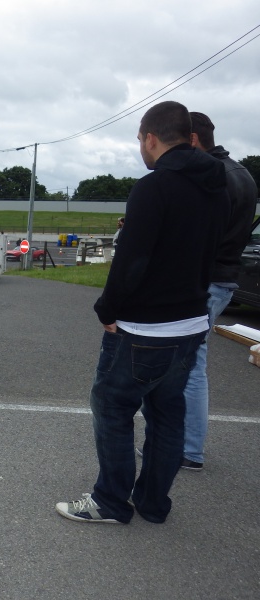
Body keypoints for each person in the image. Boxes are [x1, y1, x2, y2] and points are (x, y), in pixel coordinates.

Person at [55, 101, 228, 525]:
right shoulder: (216, 188)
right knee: (167, 415)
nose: (140, 148)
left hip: (141, 328)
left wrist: (107, 308)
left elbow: (132, 260)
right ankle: (153, 502)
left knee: (113, 408)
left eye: (139, 140)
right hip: (191, 323)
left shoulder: (154, 188)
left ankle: (111, 501)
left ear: (151, 138)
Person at [178, 112, 258, 471]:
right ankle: (187, 444)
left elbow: (195, 235)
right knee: (193, 361)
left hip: (204, 278)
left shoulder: (210, 177)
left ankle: (188, 449)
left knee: (190, 364)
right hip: (225, 276)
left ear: (193, 139)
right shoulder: (242, 174)